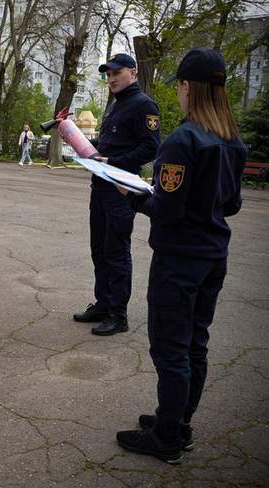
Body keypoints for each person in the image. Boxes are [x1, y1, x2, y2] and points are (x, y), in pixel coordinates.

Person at [115, 48, 246, 463]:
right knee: (195, 345)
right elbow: (232, 205)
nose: (178, 94)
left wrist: (135, 195)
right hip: (213, 256)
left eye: (180, 87)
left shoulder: (182, 140)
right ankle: (178, 421)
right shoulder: (232, 140)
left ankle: (169, 436)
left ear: (188, 87)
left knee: (170, 349)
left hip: (179, 260)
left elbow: (166, 211)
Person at [71, 53, 161, 336]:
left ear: (133, 73)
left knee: (116, 251)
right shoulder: (115, 105)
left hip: (121, 190)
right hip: (100, 186)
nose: (111, 79)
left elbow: (150, 148)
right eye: (108, 75)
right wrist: (82, 143)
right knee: (99, 248)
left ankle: (118, 315)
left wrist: (113, 162)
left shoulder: (144, 106)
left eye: (116, 73)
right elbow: (108, 142)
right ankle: (103, 303)